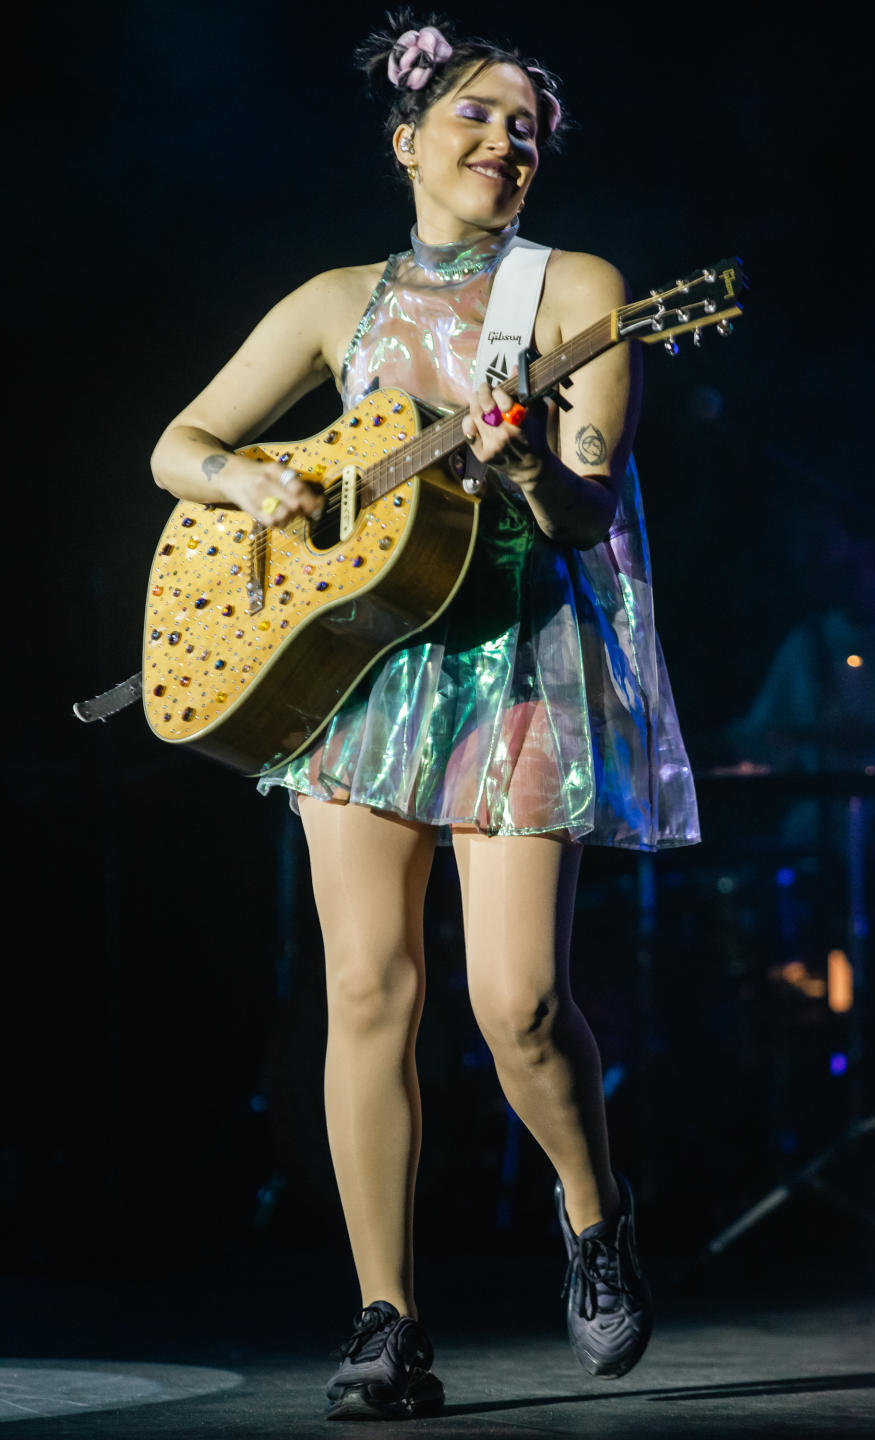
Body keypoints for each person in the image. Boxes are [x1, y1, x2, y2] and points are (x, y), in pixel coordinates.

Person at [150, 13, 699, 1422]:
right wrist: (254, 488)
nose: (504, 142)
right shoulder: (336, 301)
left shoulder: (578, 292)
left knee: (516, 1004)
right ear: (405, 142)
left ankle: (594, 1213)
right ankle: (386, 1318)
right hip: (364, 664)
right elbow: (179, 447)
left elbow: (581, 511)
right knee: (365, 990)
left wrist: (517, 467)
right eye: (475, 115)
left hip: (520, 656)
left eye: (527, 127)